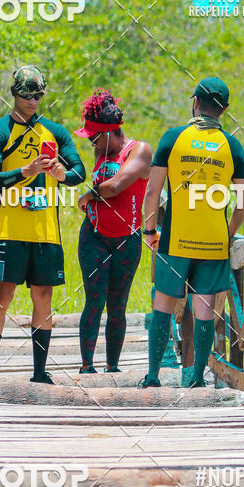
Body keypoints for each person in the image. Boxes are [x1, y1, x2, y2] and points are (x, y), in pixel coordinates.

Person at [140, 76, 244, 388]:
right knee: (203, 309)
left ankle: (152, 377)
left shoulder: (173, 138)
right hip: (213, 244)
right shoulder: (232, 146)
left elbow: (152, 192)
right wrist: (228, 233)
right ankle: (197, 380)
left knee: (162, 305)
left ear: (194, 101)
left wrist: (150, 230)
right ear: (224, 109)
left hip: (176, 240)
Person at [0, 64, 86, 383]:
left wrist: (61, 175)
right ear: (14, 94)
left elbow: (80, 172)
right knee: (3, 295)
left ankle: (40, 372)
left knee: (43, 297)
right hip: (9, 230)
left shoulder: (55, 132)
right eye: (27, 95)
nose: (32, 101)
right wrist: (24, 172)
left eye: (38, 95)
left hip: (45, 233)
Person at [75, 89, 152, 373]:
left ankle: (112, 368)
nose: (92, 143)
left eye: (95, 137)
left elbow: (118, 185)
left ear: (110, 133)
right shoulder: (100, 149)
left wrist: (89, 195)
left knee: (117, 305)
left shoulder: (139, 151)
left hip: (126, 240)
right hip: (94, 236)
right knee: (93, 300)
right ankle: (86, 367)